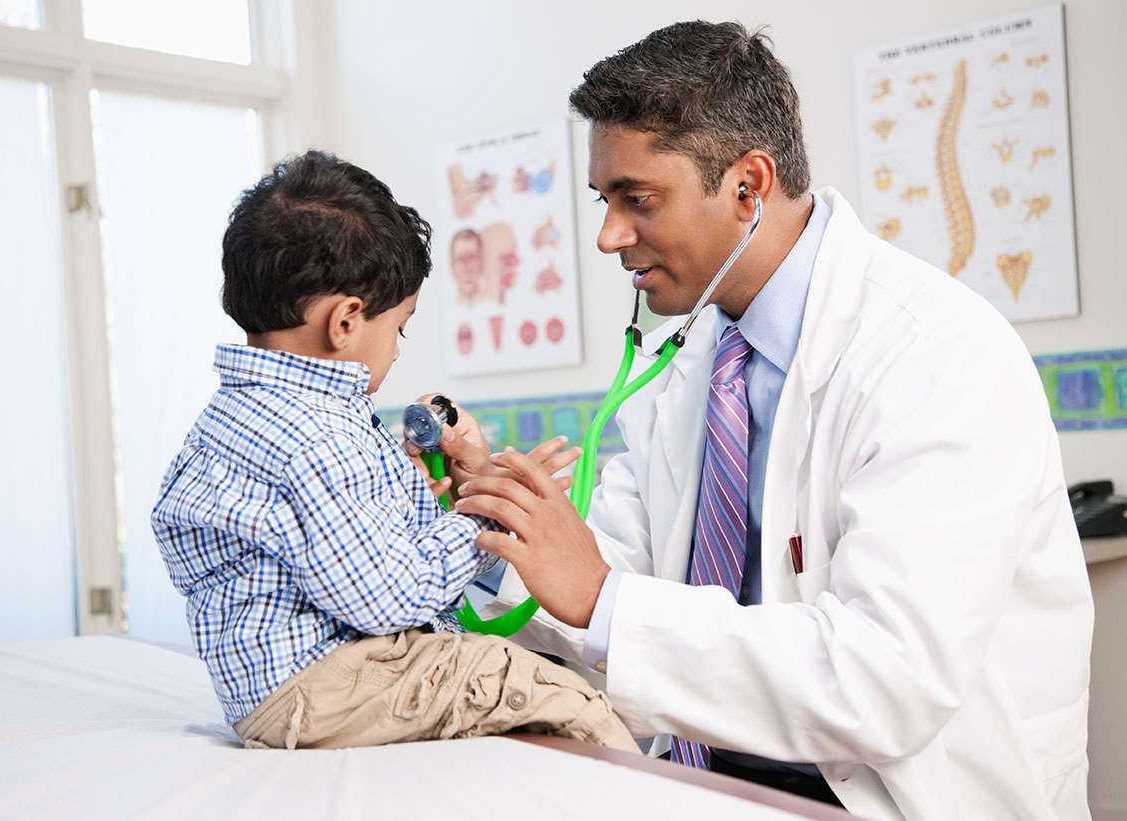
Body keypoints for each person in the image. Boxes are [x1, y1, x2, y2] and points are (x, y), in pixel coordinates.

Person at [454, 22, 1093, 819]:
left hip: (903, 798)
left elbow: (886, 680)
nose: (610, 235)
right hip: (708, 783)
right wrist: (490, 536)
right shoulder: (685, 366)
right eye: (604, 199)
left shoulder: (935, 353)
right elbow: (607, 570)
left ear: (748, 186)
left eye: (637, 199)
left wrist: (603, 597)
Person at [150, 150, 635, 754]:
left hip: (270, 691)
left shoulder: (232, 419)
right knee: (560, 693)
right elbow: (388, 598)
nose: (399, 351)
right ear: (346, 321)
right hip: (333, 682)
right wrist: (487, 515)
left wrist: (426, 504)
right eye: (400, 326)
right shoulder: (320, 437)